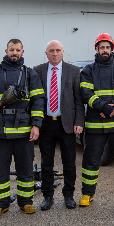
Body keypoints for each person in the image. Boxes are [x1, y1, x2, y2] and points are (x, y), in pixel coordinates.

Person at [0, 39, 46, 217]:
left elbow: (38, 101)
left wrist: (36, 125)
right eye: (11, 50)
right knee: (0, 170)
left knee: (25, 169)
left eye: (17, 50)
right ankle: (1, 204)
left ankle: (26, 202)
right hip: (0, 132)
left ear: (22, 52)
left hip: (24, 132)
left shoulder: (30, 74)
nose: (14, 53)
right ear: (6, 51)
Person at [78, 33, 114, 206]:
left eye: (107, 47)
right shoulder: (88, 71)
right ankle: (87, 194)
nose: (105, 50)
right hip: (96, 124)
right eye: (101, 47)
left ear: (112, 49)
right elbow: (86, 93)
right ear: (96, 49)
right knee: (90, 159)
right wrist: (102, 107)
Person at [33, 40, 85, 210]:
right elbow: (34, 100)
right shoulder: (38, 71)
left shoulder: (74, 71)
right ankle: (48, 196)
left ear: (63, 52)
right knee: (46, 163)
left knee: (69, 162)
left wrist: (79, 121)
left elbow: (79, 99)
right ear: (46, 53)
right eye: (51, 51)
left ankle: (68, 195)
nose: (54, 53)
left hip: (67, 124)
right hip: (46, 123)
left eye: (58, 50)